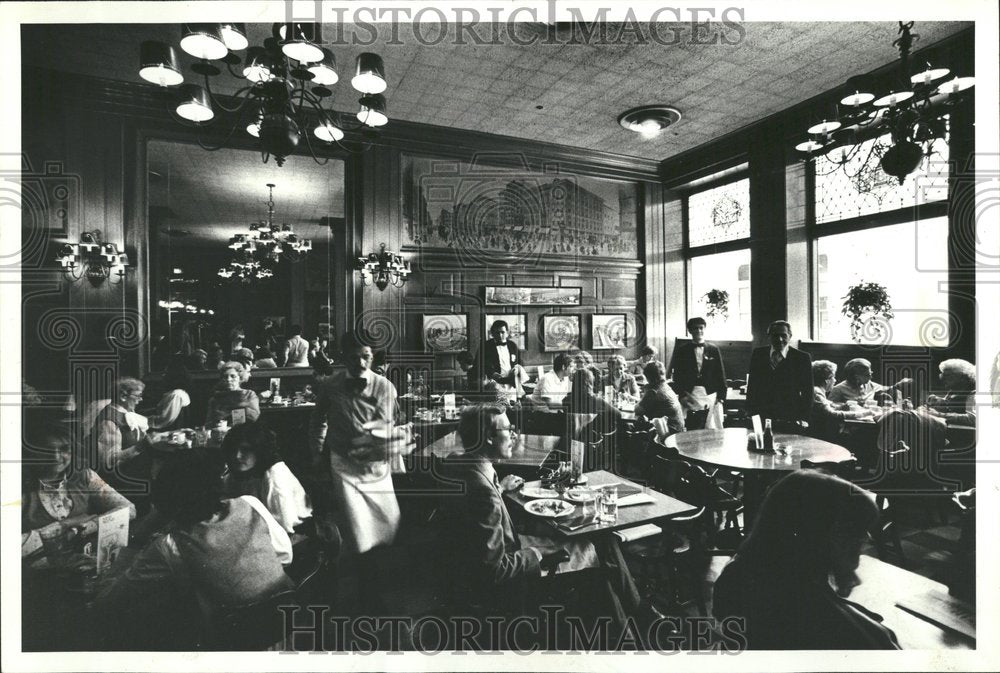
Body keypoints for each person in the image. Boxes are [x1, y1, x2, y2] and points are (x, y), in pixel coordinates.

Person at [439, 404, 646, 640]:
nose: (514, 435)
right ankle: (627, 635)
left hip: (470, 564)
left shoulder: (457, 462)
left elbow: (478, 497)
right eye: (508, 429)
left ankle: (637, 614)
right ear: (488, 438)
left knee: (603, 540)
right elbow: (494, 570)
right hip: (509, 574)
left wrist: (500, 487)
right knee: (596, 551)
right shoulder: (483, 494)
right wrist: (536, 554)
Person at [97, 452, 293, 649]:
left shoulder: (170, 545)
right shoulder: (249, 503)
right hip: (286, 627)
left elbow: (108, 601)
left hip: (230, 643)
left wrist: (136, 540)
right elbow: (286, 555)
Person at [713, 470, 899, 650]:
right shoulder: (858, 636)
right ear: (833, 535)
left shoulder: (735, 576)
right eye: (858, 530)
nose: (866, 537)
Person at [309, 330, 401, 555]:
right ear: (344, 357)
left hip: (374, 463)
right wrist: (318, 452)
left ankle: (379, 567)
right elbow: (318, 420)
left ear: (372, 356)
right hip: (342, 462)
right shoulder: (330, 385)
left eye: (366, 356)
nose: (360, 362)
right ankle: (365, 579)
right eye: (354, 357)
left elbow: (386, 425)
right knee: (356, 524)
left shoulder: (384, 386)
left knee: (386, 521)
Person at [23, 422, 136, 537]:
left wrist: (86, 526)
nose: (56, 457)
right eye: (47, 450)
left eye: (64, 449)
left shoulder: (86, 475)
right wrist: (62, 526)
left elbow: (129, 510)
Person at [220, 423, 312, 534]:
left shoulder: (274, 475)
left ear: (259, 451)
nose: (237, 456)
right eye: (233, 450)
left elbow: (284, 526)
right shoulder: (237, 471)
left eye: (246, 450)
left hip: (295, 533)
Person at [746, 320, 813, 428]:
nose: (779, 339)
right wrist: (749, 411)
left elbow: (808, 391)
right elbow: (752, 385)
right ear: (769, 336)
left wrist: (804, 418)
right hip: (762, 412)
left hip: (791, 414)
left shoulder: (802, 358)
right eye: (775, 335)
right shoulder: (758, 354)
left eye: (783, 335)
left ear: (790, 336)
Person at [671, 317, 728, 430]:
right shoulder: (682, 350)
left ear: (704, 329)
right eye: (695, 328)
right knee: (690, 428)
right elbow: (677, 375)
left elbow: (720, 373)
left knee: (712, 428)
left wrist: (721, 396)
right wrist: (681, 395)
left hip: (710, 395)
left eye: (701, 328)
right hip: (689, 396)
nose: (698, 331)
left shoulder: (713, 349)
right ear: (690, 331)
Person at [92, 377, 149, 474]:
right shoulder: (109, 421)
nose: (141, 399)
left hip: (137, 467)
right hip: (123, 476)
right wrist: (139, 447)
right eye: (138, 395)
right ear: (123, 397)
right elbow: (109, 462)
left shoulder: (126, 412)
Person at [810, 360, 876, 443]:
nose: (835, 380)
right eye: (833, 377)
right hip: (820, 434)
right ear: (827, 380)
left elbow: (826, 404)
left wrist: (842, 406)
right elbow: (831, 414)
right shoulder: (817, 392)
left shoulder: (817, 390)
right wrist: (862, 414)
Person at [565, 368, 622, 440]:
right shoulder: (597, 401)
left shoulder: (566, 400)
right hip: (595, 441)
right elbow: (618, 414)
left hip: (573, 440)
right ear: (590, 383)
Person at [829, 358, 912, 407]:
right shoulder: (838, 389)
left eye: (871, 373)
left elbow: (888, 389)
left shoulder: (870, 384)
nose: (871, 376)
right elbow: (830, 407)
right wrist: (844, 406)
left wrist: (899, 384)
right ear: (856, 376)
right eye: (867, 375)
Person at [634, 360, 685, 435]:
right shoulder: (666, 386)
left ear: (648, 377)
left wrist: (646, 392)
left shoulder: (653, 391)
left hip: (668, 434)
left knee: (631, 428)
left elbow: (637, 410)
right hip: (678, 429)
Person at [205, 361, 260, 426]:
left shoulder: (249, 394)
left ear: (240, 378)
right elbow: (208, 423)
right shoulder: (216, 398)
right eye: (225, 377)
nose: (228, 379)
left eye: (233, 376)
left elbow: (254, 417)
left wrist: (228, 415)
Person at [923, 358, 976, 427]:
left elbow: (973, 419)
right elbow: (951, 407)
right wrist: (941, 401)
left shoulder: (973, 393)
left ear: (963, 377)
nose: (942, 379)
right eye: (942, 375)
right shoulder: (953, 391)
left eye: (948, 376)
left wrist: (938, 414)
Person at [147, 355, 192, 431]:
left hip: (171, 432)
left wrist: (144, 419)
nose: (163, 375)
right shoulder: (176, 393)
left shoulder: (176, 395)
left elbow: (164, 420)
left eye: (166, 373)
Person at [481, 320, 525, 387]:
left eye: (502, 332)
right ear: (492, 333)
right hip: (494, 384)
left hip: (511, 384)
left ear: (507, 333)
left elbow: (520, 362)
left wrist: (517, 369)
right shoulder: (485, 346)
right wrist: (491, 373)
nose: (500, 335)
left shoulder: (512, 345)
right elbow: (479, 364)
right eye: (497, 333)